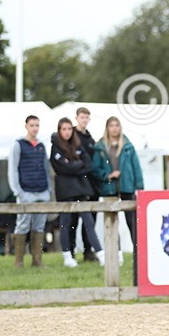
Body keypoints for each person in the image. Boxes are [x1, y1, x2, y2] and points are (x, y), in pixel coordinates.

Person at [92, 116, 143, 277]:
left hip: (127, 187)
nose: (114, 128)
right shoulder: (100, 147)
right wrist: (108, 175)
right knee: (112, 223)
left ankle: (138, 253)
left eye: (116, 125)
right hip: (109, 189)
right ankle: (117, 253)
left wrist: (139, 188)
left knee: (132, 222)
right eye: (111, 126)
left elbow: (136, 168)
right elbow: (95, 169)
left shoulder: (128, 146)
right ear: (107, 128)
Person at [50, 118, 104, 268]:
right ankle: (67, 255)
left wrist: (73, 165)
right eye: (64, 129)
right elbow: (62, 168)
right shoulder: (55, 147)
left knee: (89, 222)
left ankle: (100, 253)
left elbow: (88, 164)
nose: (67, 132)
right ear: (59, 131)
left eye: (69, 129)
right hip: (65, 191)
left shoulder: (78, 144)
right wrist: (77, 165)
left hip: (81, 190)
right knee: (66, 223)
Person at [7, 114, 52, 267]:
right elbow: (12, 169)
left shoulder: (41, 146)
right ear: (26, 126)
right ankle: (19, 261)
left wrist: (48, 190)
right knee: (22, 225)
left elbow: (47, 170)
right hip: (25, 192)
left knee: (39, 226)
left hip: (41, 191)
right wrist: (17, 191)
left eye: (37, 125)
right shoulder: (18, 145)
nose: (35, 128)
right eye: (32, 125)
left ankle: (37, 260)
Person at [71, 107, 100, 262]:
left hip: (91, 184)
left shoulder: (90, 139)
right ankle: (71, 251)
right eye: (82, 117)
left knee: (90, 220)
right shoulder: (72, 136)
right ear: (77, 118)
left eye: (86, 117)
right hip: (77, 183)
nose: (84, 120)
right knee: (73, 219)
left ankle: (88, 251)